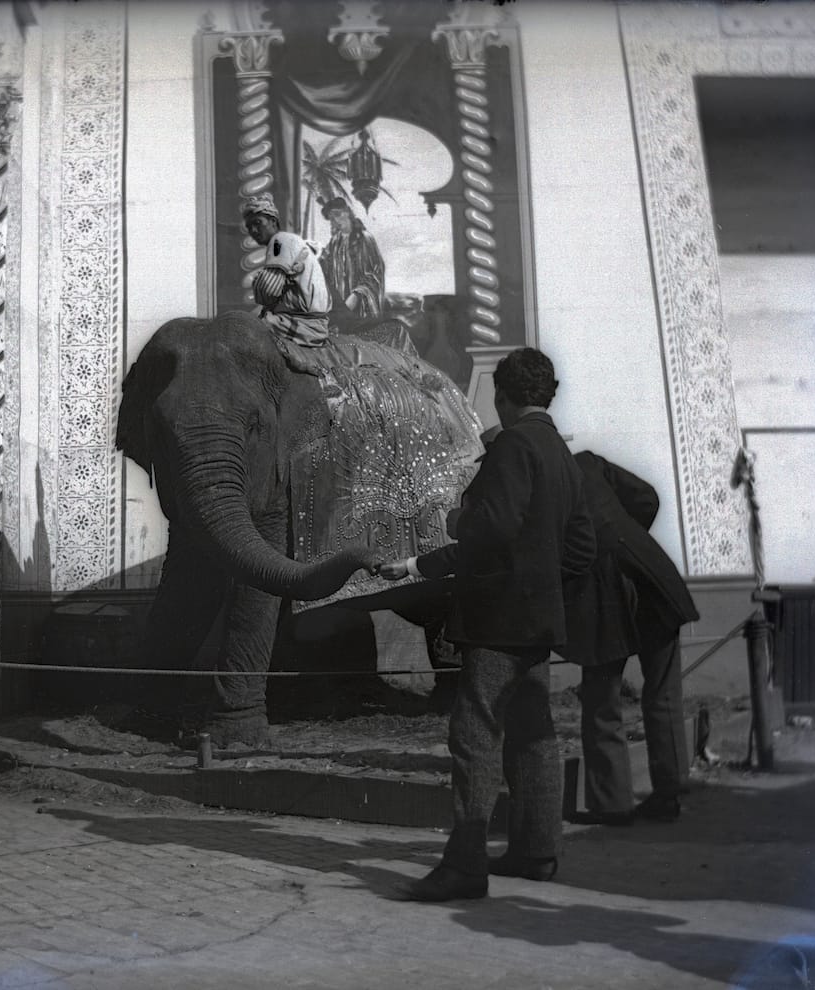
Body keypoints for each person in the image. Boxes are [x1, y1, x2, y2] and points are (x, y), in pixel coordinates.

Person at [377, 347, 596, 901]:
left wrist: (444, 534)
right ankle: (537, 851)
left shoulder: (514, 445)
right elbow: (582, 548)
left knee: (475, 736)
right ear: (548, 393)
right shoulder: (560, 453)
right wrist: (541, 585)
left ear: (502, 394)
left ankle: (465, 867)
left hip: (498, 618)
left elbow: (490, 529)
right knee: (533, 735)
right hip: (538, 621)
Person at [559, 451, 701, 826]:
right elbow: (647, 498)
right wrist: (626, 535)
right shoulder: (587, 462)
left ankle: (612, 804)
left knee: (601, 698)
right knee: (663, 692)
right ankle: (669, 794)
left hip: (601, 594)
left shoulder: (536, 484)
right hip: (648, 575)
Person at [241, 195, 331, 346]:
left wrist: (258, 281)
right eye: (249, 227)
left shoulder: (279, 241)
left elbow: (268, 292)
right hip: (311, 322)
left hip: (305, 325)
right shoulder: (291, 241)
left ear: (273, 222)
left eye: (258, 223)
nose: (253, 230)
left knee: (245, 330)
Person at [318, 197, 385, 319]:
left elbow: (376, 273)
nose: (335, 220)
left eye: (338, 214)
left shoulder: (365, 239)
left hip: (362, 308)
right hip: (340, 309)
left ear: (348, 211)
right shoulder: (334, 243)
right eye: (331, 218)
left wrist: (357, 295)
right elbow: (322, 268)